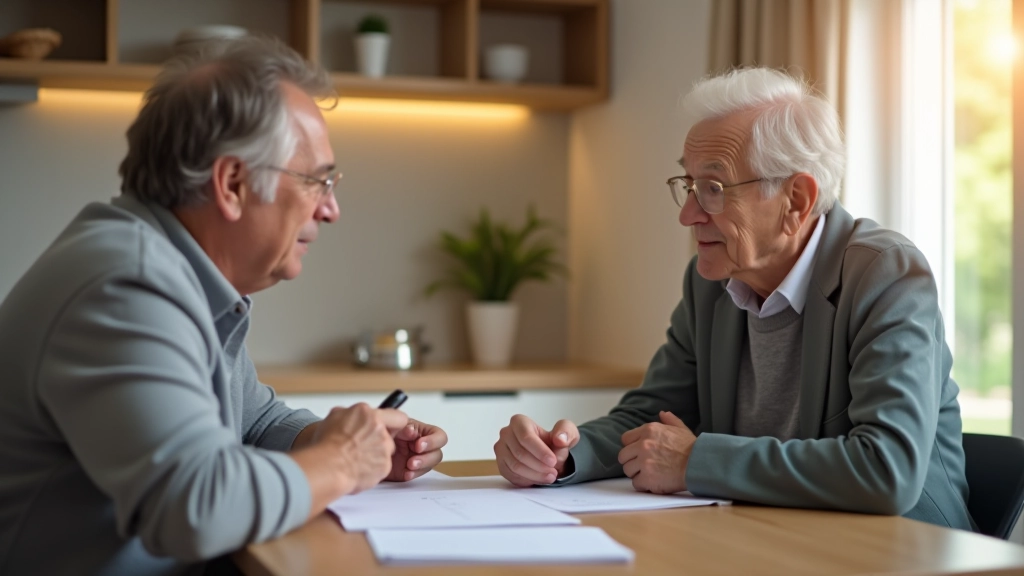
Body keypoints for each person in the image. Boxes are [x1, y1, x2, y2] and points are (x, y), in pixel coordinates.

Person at [0, 37, 448, 575]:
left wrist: (328, 440)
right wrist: (341, 463)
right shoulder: (128, 288)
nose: (330, 209)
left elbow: (251, 422)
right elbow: (198, 508)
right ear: (232, 183)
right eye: (316, 181)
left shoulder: (173, 270)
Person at [494, 67, 975, 531]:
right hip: (771, 538)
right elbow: (652, 417)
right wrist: (562, 454)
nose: (688, 215)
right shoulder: (710, 283)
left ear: (797, 201)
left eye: (713, 188)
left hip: (904, 551)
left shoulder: (886, 274)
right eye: (689, 185)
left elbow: (886, 469)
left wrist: (696, 460)